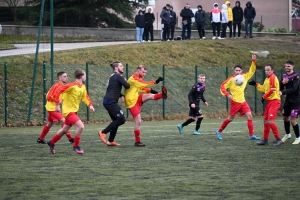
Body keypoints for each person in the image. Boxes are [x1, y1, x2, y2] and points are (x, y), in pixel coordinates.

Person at [47, 69, 95, 154]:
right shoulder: (71, 85)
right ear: (81, 76)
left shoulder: (82, 87)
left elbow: (85, 97)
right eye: (85, 75)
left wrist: (90, 105)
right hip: (68, 111)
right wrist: (57, 102)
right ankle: (76, 146)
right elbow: (59, 90)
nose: (86, 77)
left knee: (64, 129)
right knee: (81, 126)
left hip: (74, 111)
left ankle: (51, 142)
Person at [216, 54, 260, 140]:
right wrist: (228, 94)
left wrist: (254, 61)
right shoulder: (231, 79)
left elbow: (252, 71)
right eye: (236, 70)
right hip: (235, 102)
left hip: (243, 101)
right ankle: (219, 131)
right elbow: (222, 86)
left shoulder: (244, 76)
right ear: (234, 71)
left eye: (239, 70)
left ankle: (251, 135)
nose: (238, 72)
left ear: (241, 71)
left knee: (250, 116)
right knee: (230, 119)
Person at [124, 65, 167, 147]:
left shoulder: (138, 78)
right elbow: (143, 84)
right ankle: (137, 142)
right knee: (138, 121)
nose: (144, 74)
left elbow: (140, 88)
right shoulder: (133, 79)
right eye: (143, 72)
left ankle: (163, 95)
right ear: (138, 70)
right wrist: (156, 81)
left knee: (148, 95)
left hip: (135, 98)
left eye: (145, 73)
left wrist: (150, 91)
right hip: (131, 102)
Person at [98, 62, 130, 146]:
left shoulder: (113, 76)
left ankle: (111, 140)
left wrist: (121, 95)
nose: (122, 67)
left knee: (116, 120)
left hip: (108, 101)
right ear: (116, 68)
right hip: (110, 101)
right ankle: (103, 132)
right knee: (121, 120)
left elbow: (111, 88)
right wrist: (126, 80)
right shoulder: (118, 76)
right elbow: (127, 86)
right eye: (120, 66)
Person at [249, 65, 282, 146]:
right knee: (266, 121)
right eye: (265, 70)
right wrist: (255, 84)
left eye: (268, 70)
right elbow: (264, 88)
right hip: (269, 102)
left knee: (270, 121)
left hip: (274, 102)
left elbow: (273, 89)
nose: (266, 71)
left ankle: (278, 139)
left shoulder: (272, 77)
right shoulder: (267, 79)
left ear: (272, 70)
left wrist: (264, 96)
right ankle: (265, 140)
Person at [37, 72, 74, 144]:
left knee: (49, 124)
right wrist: (57, 102)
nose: (66, 77)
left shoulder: (64, 87)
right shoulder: (56, 86)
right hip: (52, 108)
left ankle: (40, 139)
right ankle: (70, 138)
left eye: (67, 76)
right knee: (64, 121)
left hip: (53, 108)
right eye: (64, 76)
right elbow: (48, 97)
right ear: (60, 78)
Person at [279, 60, 300, 144]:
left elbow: (294, 89)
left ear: (292, 66)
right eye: (285, 66)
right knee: (285, 118)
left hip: (296, 101)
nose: (287, 68)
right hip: (288, 100)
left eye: (288, 66)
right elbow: (280, 88)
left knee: (293, 120)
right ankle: (288, 134)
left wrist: (283, 92)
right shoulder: (284, 76)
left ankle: (298, 137)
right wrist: (282, 82)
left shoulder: (296, 76)